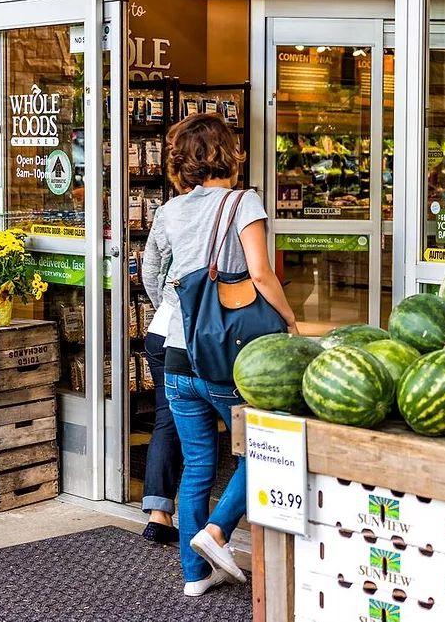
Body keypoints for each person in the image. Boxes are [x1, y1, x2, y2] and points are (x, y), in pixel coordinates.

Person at [142, 113, 299, 597]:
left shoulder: (168, 211)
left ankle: (194, 575)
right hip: (228, 359)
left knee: (196, 466)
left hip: (177, 354)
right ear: (226, 153)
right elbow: (262, 273)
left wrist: (178, 311)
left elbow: (150, 275)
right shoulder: (243, 201)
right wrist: (291, 321)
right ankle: (217, 532)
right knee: (266, 450)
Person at [139, 286, 181, 544]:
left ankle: (158, 515)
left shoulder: (172, 241)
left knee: (166, 421)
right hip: (190, 336)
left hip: (160, 328)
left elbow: (152, 270)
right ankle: (213, 528)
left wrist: (166, 304)